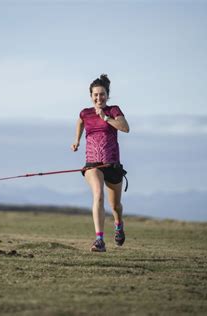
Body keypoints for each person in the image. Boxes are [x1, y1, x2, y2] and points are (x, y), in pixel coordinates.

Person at [71, 74, 130, 252]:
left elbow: (125, 128)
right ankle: (99, 241)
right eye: (95, 94)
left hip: (112, 164)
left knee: (115, 206)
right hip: (92, 164)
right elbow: (80, 121)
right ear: (91, 96)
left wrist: (105, 118)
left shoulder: (114, 111)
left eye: (102, 94)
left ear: (107, 95)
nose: (99, 97)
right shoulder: (85, 113)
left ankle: (118, 224)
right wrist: (77, 140)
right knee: (98, 195)